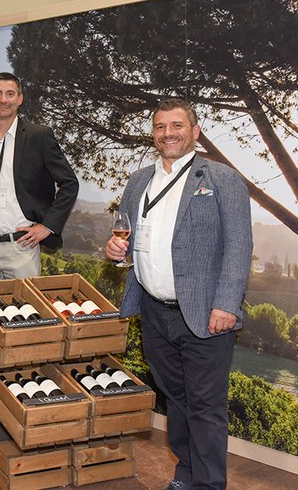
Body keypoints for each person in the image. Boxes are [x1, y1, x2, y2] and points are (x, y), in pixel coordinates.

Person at [105, 98, 252, 490]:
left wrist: (227, 304)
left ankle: (208, 485)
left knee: (205, 407)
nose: (167, 133)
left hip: (206, 314)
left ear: (195, 131)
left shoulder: (222, 179)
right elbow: (130, 239)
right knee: (176, 399)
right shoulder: (139, 181)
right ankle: (186, 472)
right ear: (153, 134)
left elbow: (239, 246)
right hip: (154, 312)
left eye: (176, 125)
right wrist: (117, 252)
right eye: (160, 127)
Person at [0, 72, 79, 415]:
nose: (3, 99)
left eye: (10, 93)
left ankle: (23, 397)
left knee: (26, 326)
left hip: (21, 247)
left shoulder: (38, 136)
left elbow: (68, 183)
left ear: (20, 98)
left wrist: (47, 226)